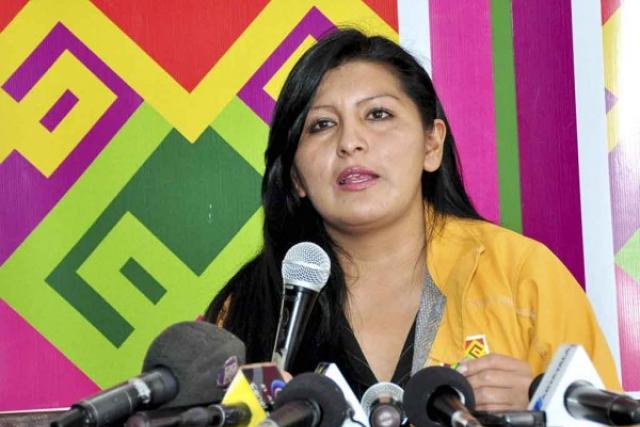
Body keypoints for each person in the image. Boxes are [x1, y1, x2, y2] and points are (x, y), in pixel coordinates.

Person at [205, 28, 620, 410]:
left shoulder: (521, 274)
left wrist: (541, 409)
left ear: (431, 144)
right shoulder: (247, 307)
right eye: (322, 124)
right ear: (296, 176)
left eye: (377, 115)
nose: (350, 142)